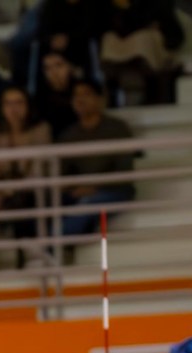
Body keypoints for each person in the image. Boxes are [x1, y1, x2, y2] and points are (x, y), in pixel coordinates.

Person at [0, 84, 50, 270]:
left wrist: (7, 190)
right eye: (8, 103)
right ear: (1, 107)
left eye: (19, 103)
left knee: (21, 202)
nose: (13, 109)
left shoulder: (41, 130)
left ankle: (22, 261)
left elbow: (37, 170)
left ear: (28, 106)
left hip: (28, 190)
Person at [55, 77, 136, 243]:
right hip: (79, 191)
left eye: (86, 94)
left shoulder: (118, 128)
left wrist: (94, 187)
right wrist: (75, 187)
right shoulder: (68, 135)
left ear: (100, 99)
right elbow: (62, 172)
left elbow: (124, 170)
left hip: (115, 189)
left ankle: (51, 242)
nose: (80, 100)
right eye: (76, 95)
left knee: (90, 203)